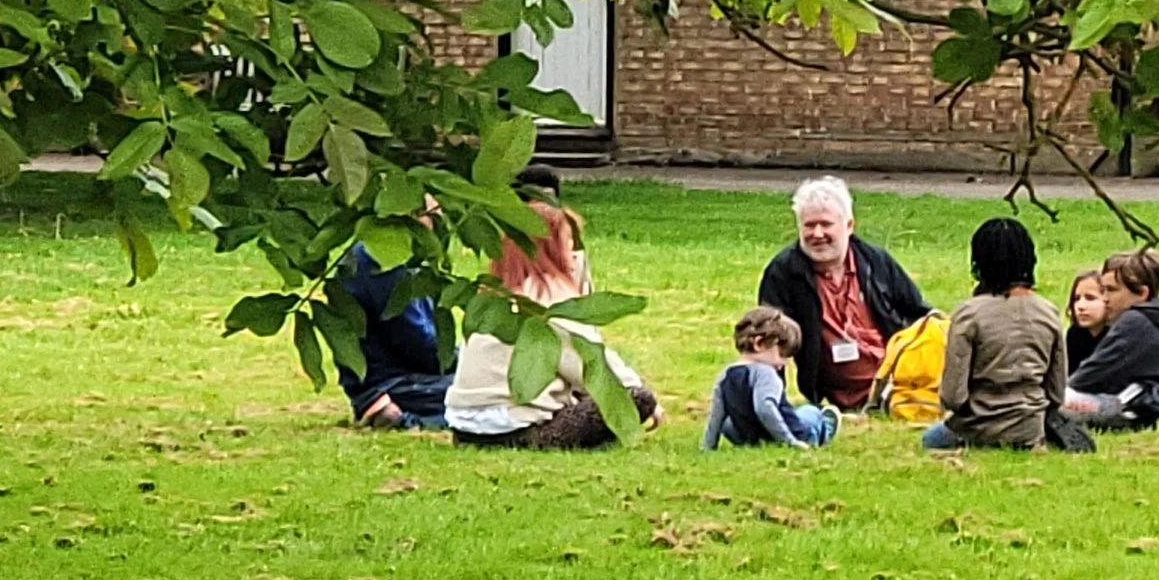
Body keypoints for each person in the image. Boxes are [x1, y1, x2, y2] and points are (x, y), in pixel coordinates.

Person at [447, 167, 662, 448]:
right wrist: (639, 394)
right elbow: (591, 366)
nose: (573, 254)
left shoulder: (494, 296)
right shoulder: (550, 298)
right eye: (568, 243)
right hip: (517, 428)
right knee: (637, 399)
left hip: (465, 428)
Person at [757, 175, 931, 409]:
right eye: (809, 225)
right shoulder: (784, 274)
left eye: (826, 224)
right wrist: (777, 407)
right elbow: (768, 344)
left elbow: (922, 317)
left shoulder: (876, 262)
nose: (817, 234)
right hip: (831, 399)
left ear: (849, 225)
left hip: (897, 387)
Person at [922, 217, 1066, 452]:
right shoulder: (1048, 312)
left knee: (929, 439)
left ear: (979, 262)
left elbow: (953, 396)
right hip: (1030, 428)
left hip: (977, 427)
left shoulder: (969, 313)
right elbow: (1057, 392)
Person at [1061, 247, 1159, 430]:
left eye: (1111, 290)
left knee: (1058, 401)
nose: (1105, 299)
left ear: (1142, 293)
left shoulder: (1136, 321)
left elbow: (1086, 379)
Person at [331, 242, 453, 431]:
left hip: (387, 380)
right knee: (493, 391)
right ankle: (396, 415)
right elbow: (418, 346)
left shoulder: (386, 255)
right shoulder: (383, 261)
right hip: (394, 383)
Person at [701, 307, 840, 450]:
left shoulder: (726, 373)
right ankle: (824, 430)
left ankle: (752, 444)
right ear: (759, 343)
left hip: (750, 437)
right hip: (791, 433)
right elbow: (764, 408)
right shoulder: (765, 373)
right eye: (781, 355)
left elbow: (717, 416)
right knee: (811, 412)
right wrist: (790, 441)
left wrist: (708, 446)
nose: (782, 364)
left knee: (729, 422)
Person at [1064, 268, 1109, 373]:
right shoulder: (1075, 334)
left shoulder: (1120, 336)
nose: (1081, 306)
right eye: (1077, 298)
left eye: (1090, 298)